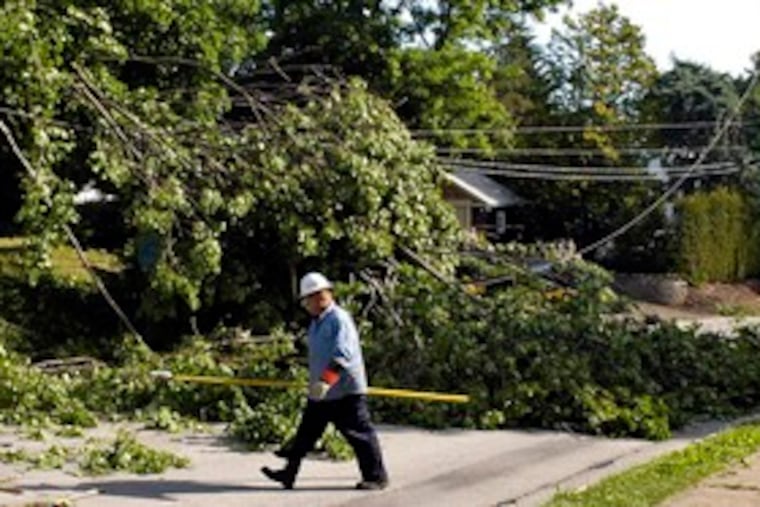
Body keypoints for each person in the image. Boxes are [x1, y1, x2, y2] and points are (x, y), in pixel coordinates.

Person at [261, 272, 389, 491]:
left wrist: (326, 380)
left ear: (320, 297)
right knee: (306, 433)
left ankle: (376, 477)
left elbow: (343, 354)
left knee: (359, 434)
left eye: (308, 300)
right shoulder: (316, 323)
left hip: (345, 390)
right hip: (322, 392)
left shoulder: (338, 319)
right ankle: (288, 473)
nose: (306, 305)